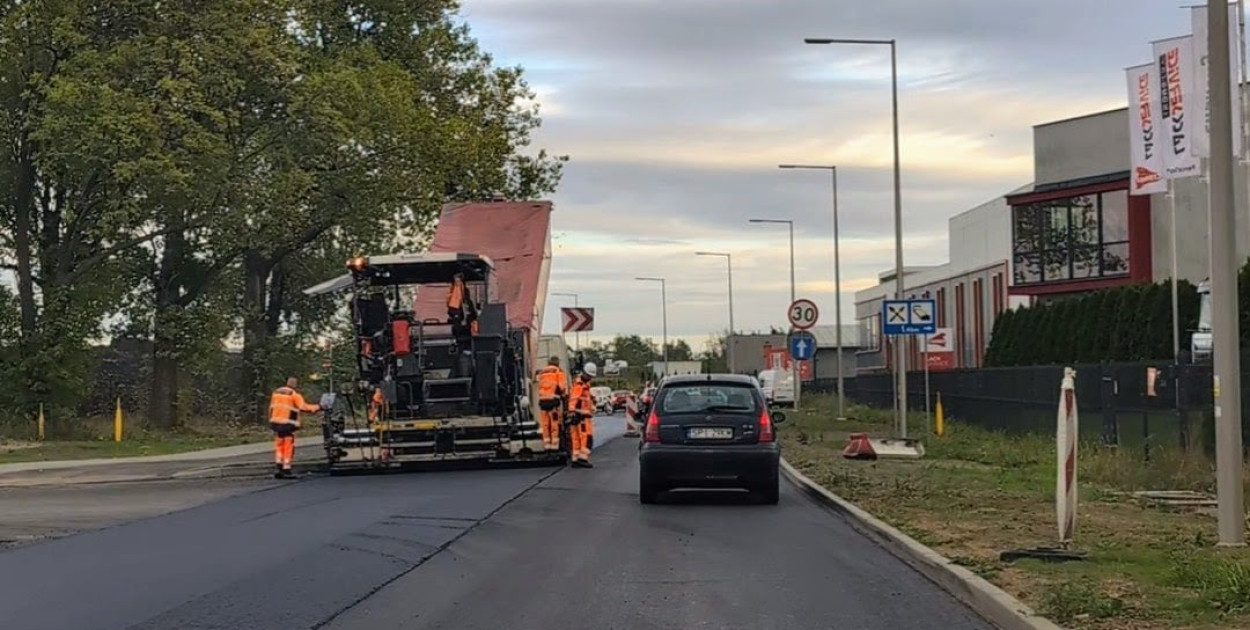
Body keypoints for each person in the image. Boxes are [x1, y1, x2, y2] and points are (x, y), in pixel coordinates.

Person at [268, 377, 320, 479]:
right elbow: (303, 407)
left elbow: (271, 408)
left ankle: (279, 467)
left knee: (279, 446)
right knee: (288, 447)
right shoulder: (293, 395)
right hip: (287, 424)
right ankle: (286, 469)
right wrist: (319, 407)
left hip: (276, 423)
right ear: (295, 385)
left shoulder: (276, 393)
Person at [567, 362, 598, 468]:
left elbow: (585, 399)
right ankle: (583, 458)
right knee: (586, 438)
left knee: (576, 438)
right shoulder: (580, 386)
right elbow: (574, 399)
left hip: (578, 415)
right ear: (585, 373)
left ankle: (575, 459)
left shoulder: (582, 385)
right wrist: (573, 411)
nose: (590, 378)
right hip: (582, 416)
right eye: (589, 376)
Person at [534, 356, 568, 451]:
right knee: (554, 424)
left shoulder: (542, 372)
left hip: (543, 402)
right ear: (557, 363)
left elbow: (540, 386)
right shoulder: (558, 371)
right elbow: (562, 387)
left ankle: (547, 445)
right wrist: (564, 396)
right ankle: (554, 445)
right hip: (553, 402)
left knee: (545, 424)